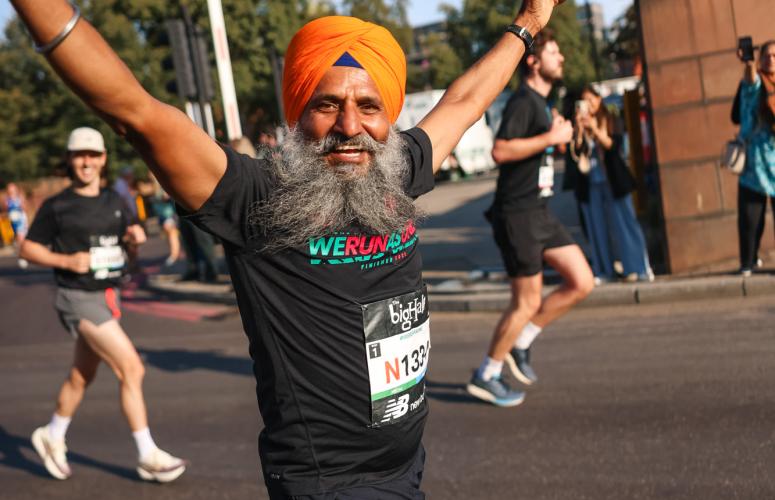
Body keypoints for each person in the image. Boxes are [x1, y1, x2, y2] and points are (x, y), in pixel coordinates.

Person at [12, 0, 564, 496]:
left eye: (368, 107)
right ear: (298, 114)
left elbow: (466, 99)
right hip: (328, 485)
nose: (350, 126)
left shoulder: (399, 169)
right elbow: (134, 111)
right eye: (327, 104)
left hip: (406, 465)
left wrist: (530, 21)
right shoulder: (255, 197)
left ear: (388, 116)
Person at [19, 127, 186, 483]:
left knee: (82, 375)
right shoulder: (57, 205)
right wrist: (66, 262)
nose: (86, 162)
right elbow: (27, 248)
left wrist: (136, 240)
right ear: (69, 159)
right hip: (77, 297)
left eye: (93, 155)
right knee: (132, 368)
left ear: (103, 160)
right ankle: (148, 454)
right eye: (79, 155)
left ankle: (52, 434)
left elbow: (130, 241)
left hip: (108, 295)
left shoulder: (115, 200)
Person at [468, 31, 594, 407]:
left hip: (539, 211)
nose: (562, 59)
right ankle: (486, 374)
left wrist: (559, 135)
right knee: (525, 303)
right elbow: (500, 150)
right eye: (554, 53)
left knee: (582, 280)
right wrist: (549, 138)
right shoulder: (523, 101)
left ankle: (520, 345)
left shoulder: (541, 102)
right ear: (533, 62)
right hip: (517, 214)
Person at [566, 85, 653, 283]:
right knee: (597, 227)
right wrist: (579, 129)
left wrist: (595, 129)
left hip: (614, 179)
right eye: (584, 100)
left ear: (598, 99)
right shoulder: (580, 123)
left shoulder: (610, 119)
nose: (588, 104)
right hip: (591, 182)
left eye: (591, 99)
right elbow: (576, 152)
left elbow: (612, 146)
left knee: (625, 223)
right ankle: (604, 269)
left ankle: (638, 267)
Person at [737, 40, 775, 276]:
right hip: (756, 160)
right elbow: (750, 82)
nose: (771, 59)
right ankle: (748, 262)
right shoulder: (756, 81)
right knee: (751, 217)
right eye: (767, 55)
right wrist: (749, 64)